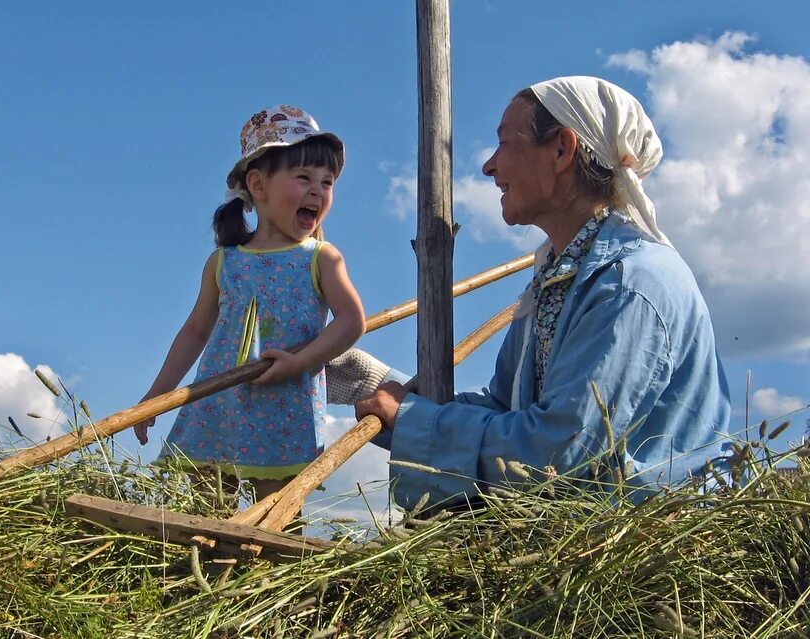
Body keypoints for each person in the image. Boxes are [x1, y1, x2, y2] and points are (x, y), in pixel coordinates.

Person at [347, 76, 732, 510]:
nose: (489, 166)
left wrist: (415, 421)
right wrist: (391, 402)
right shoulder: (556, 281)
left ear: (562, 149)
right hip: (579, 536)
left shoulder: (630, 283)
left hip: (641, 545)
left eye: (505, 144)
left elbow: (559, 451)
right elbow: (505, 408)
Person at [133, 105, 366, 502]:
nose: (317, 190)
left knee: (275, 518)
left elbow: (351, 322)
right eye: (303, 177)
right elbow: (194, 331)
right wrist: (156, 395)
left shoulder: (321, 258)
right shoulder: (225, 261)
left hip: (284, 408)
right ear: (258, 185)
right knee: (202, 516)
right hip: (218, 405)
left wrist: (300, 362)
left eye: (327, 182)